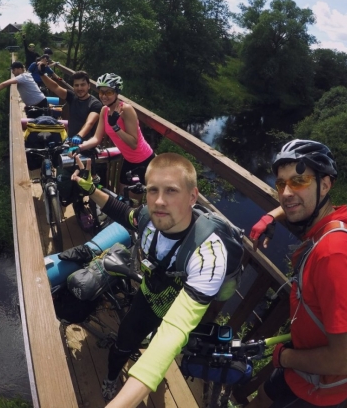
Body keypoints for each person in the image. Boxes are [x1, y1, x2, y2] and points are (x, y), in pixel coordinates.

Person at [71, 152, 231, 405]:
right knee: (123, 344)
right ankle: (112, 377)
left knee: (163, 344)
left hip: (179, 312)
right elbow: (122, 211)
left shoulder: (207, 255)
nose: (159, 201)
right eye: (152, 190)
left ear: (192, 196)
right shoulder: (146, 218)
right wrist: (91, 189)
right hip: (147, 299)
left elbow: (176, 329)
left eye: (171, 191)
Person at [248, 139, 347, 408]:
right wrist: (272, 216)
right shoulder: (337, 221)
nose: (286, 192)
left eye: (299, 181)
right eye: (281, 184)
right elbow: (297, 200)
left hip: (318, 388)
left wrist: (285, 357)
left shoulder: (335, 253)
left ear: (325, 185)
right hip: (302, 362)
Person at [75, 73, 154, 194]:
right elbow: (96, 138)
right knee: (122, 198)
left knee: (134, 203)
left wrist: (115, 126)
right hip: (128, 160)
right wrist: (79, 147)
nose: (104, 96)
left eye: (109, 92)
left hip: (144, 160)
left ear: (117, 93)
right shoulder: (104, 110)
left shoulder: (126, 109)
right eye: (101, 92)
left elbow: (133, 143)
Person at [38, 66, 101, 143]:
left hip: (87, 145)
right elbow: (55, 87)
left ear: (89, 86)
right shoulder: (72, 97)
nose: (80, 88)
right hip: (70, 142)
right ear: (73, 87)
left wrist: (79, 136)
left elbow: (90, 123)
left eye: (83, 85)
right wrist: (41, 74)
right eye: (76, 85)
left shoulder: (95, 104)